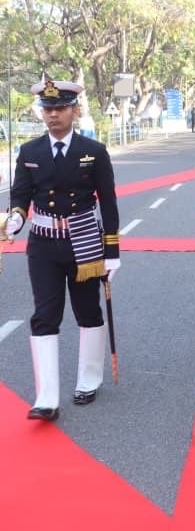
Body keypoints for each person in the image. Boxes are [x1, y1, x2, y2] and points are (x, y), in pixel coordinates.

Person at [7, 78, 121, 420]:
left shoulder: (94, 152)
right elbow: (20, 196)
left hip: (83, 240)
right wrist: (15, 219)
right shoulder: (30, 152)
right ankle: (46, 398)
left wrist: (111, 249)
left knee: (87, 310)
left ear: (74, 111)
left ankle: (88, 379)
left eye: (59, 109)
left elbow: (109, 202)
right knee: (45, 314)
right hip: (43, 244)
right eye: (48, 109)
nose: (53, 115)